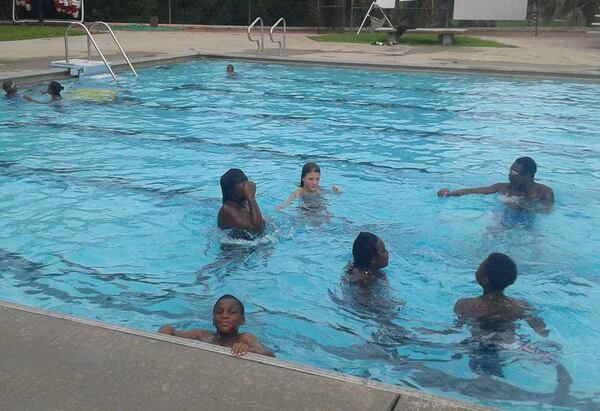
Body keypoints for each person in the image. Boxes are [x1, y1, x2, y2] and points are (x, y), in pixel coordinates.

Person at [455, 252, 549, 342]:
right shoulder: (521, 306)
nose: (476, 270)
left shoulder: (465, 305)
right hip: (510, 343)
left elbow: (457, 329)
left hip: (479, 343)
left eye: (479, 267)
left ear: (485, 280)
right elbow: (542, 331)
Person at [158, 294, 275, 357]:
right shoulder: (202, 335)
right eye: (219, 312)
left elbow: (270, 355)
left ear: (242, 320)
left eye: (232, 312)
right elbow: (172, 332)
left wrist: (250, 349)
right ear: (213, 320)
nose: (224, 316)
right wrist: (167, 329)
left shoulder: (245, 338)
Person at [437, 157, 554, 206]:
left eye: (514, 174)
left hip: (529, 225)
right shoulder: (503, 188)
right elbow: (475, 191)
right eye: (510, 171)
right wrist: (450, 193)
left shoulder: (545, 192)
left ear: (528, 176)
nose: (509, 176)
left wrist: (521, 205)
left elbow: (547, 212)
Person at [217, 168, 265, 235]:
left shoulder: (246, 205)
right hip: (237, 245)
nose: (246, 184)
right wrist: (251, 197)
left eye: (246, 179)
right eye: (241, 181)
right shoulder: (226, 210)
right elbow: (256, 231)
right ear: (230, 190)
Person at [276, 162, 341, 210]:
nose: (314, 182)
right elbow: (286, 203)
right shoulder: (300, 191)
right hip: (306, 212)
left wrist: (337, 192)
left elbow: (331, 194)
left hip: (320, 209)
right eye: (310, 179)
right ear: (303, 178)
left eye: (317, 179)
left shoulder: (318, 189)